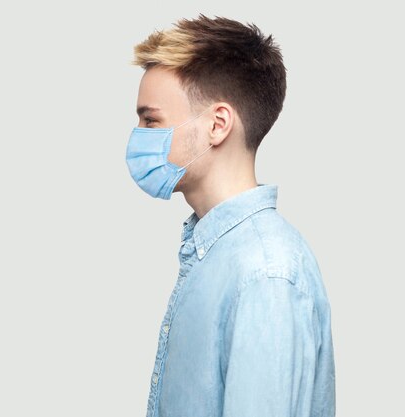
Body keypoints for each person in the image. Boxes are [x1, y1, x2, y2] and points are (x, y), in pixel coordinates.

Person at [125, 14, 336, 417]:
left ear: (217, 125)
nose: (139, 135)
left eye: (151, 120)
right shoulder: (218, 254)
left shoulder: (264, 272)